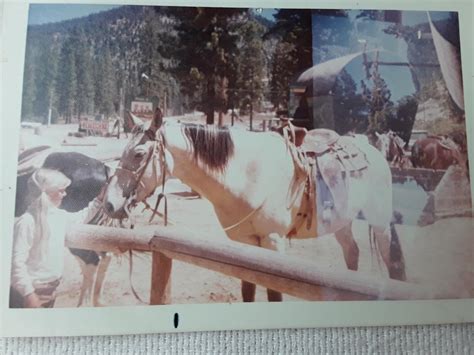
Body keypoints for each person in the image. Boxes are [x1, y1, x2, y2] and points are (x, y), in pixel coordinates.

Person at [10, 168, 104, 308]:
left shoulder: (58, 216)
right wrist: (29, 295)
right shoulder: (27, 222)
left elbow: (80, 217)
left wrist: (99, 200)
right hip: (29, 294)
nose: (64, 194)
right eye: (61, 190)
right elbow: (16, 264)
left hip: (50, 290)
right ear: (47, 193)